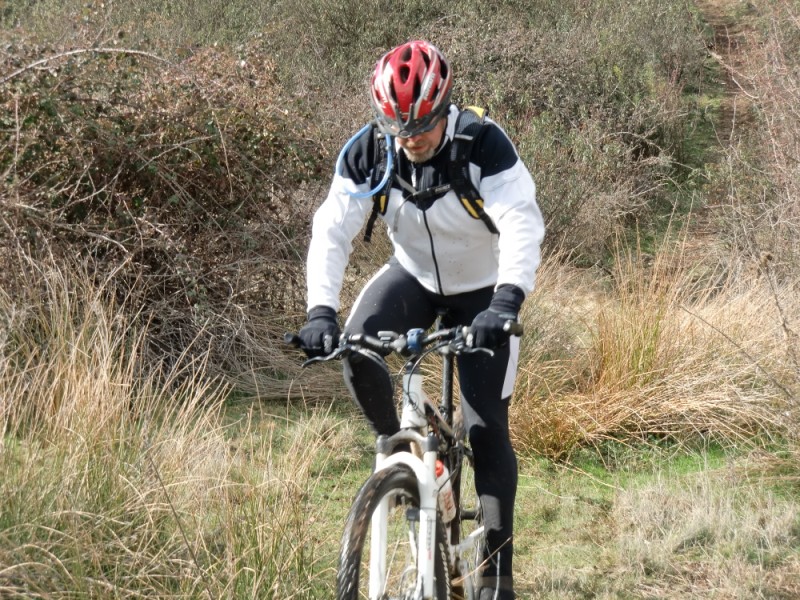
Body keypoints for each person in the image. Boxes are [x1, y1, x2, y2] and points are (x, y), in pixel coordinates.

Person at [298, 39, 544, 600]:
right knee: (357, 348)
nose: (410, 140)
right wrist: (319, 311)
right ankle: (397, 457)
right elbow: (331, 231)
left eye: (422, 127)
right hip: (412, 276)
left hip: (482, 290)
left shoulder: (482, 143)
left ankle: (496, 576)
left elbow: (521, 222)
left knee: (485, 430)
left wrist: (506, 302)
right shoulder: (370, 152)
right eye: (399, 129)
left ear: (444, 108)